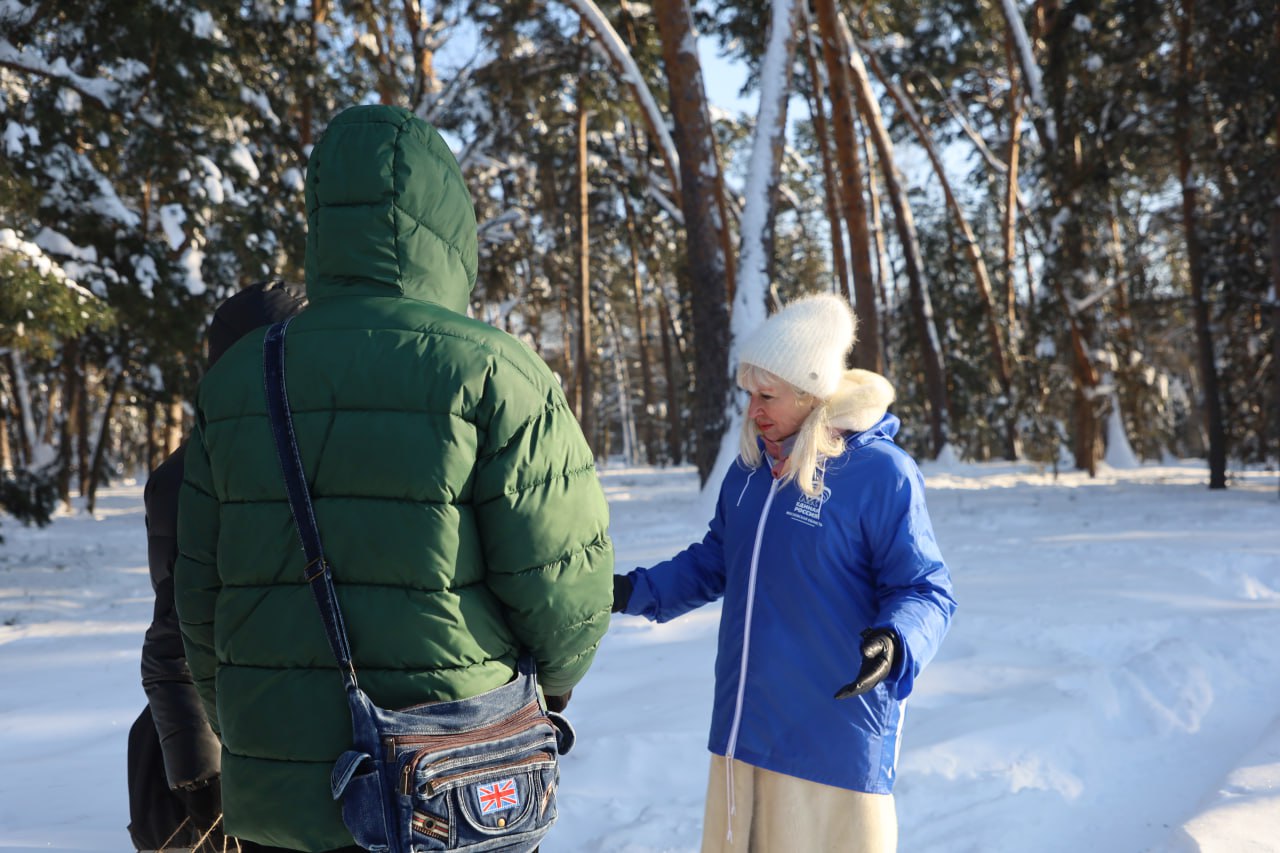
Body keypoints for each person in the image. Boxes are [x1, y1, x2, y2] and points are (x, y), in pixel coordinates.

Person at [173, 104, 614, 852]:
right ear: (447, 226)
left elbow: (199, 600)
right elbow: (566, 586)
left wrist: (254, 722)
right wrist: (551, 684)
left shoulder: (243, 378)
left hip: (287, 790)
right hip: (455, 775)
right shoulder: (496, 370)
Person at [612, 292, 956, 853]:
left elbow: (925, 589)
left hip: (832, 735)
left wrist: (897, 640)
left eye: (767, 395)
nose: (754, 410)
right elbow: (715, 561)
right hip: (745, 729)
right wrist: (631, 591)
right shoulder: (751, 469)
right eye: (750, 394)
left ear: (812, 394)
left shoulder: (879, 473)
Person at [128, 279, 307, 852]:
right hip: (246, 740)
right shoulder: (195, 475)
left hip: (250, 732)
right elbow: (177, 634)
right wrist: (201, 777)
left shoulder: (182, 469)